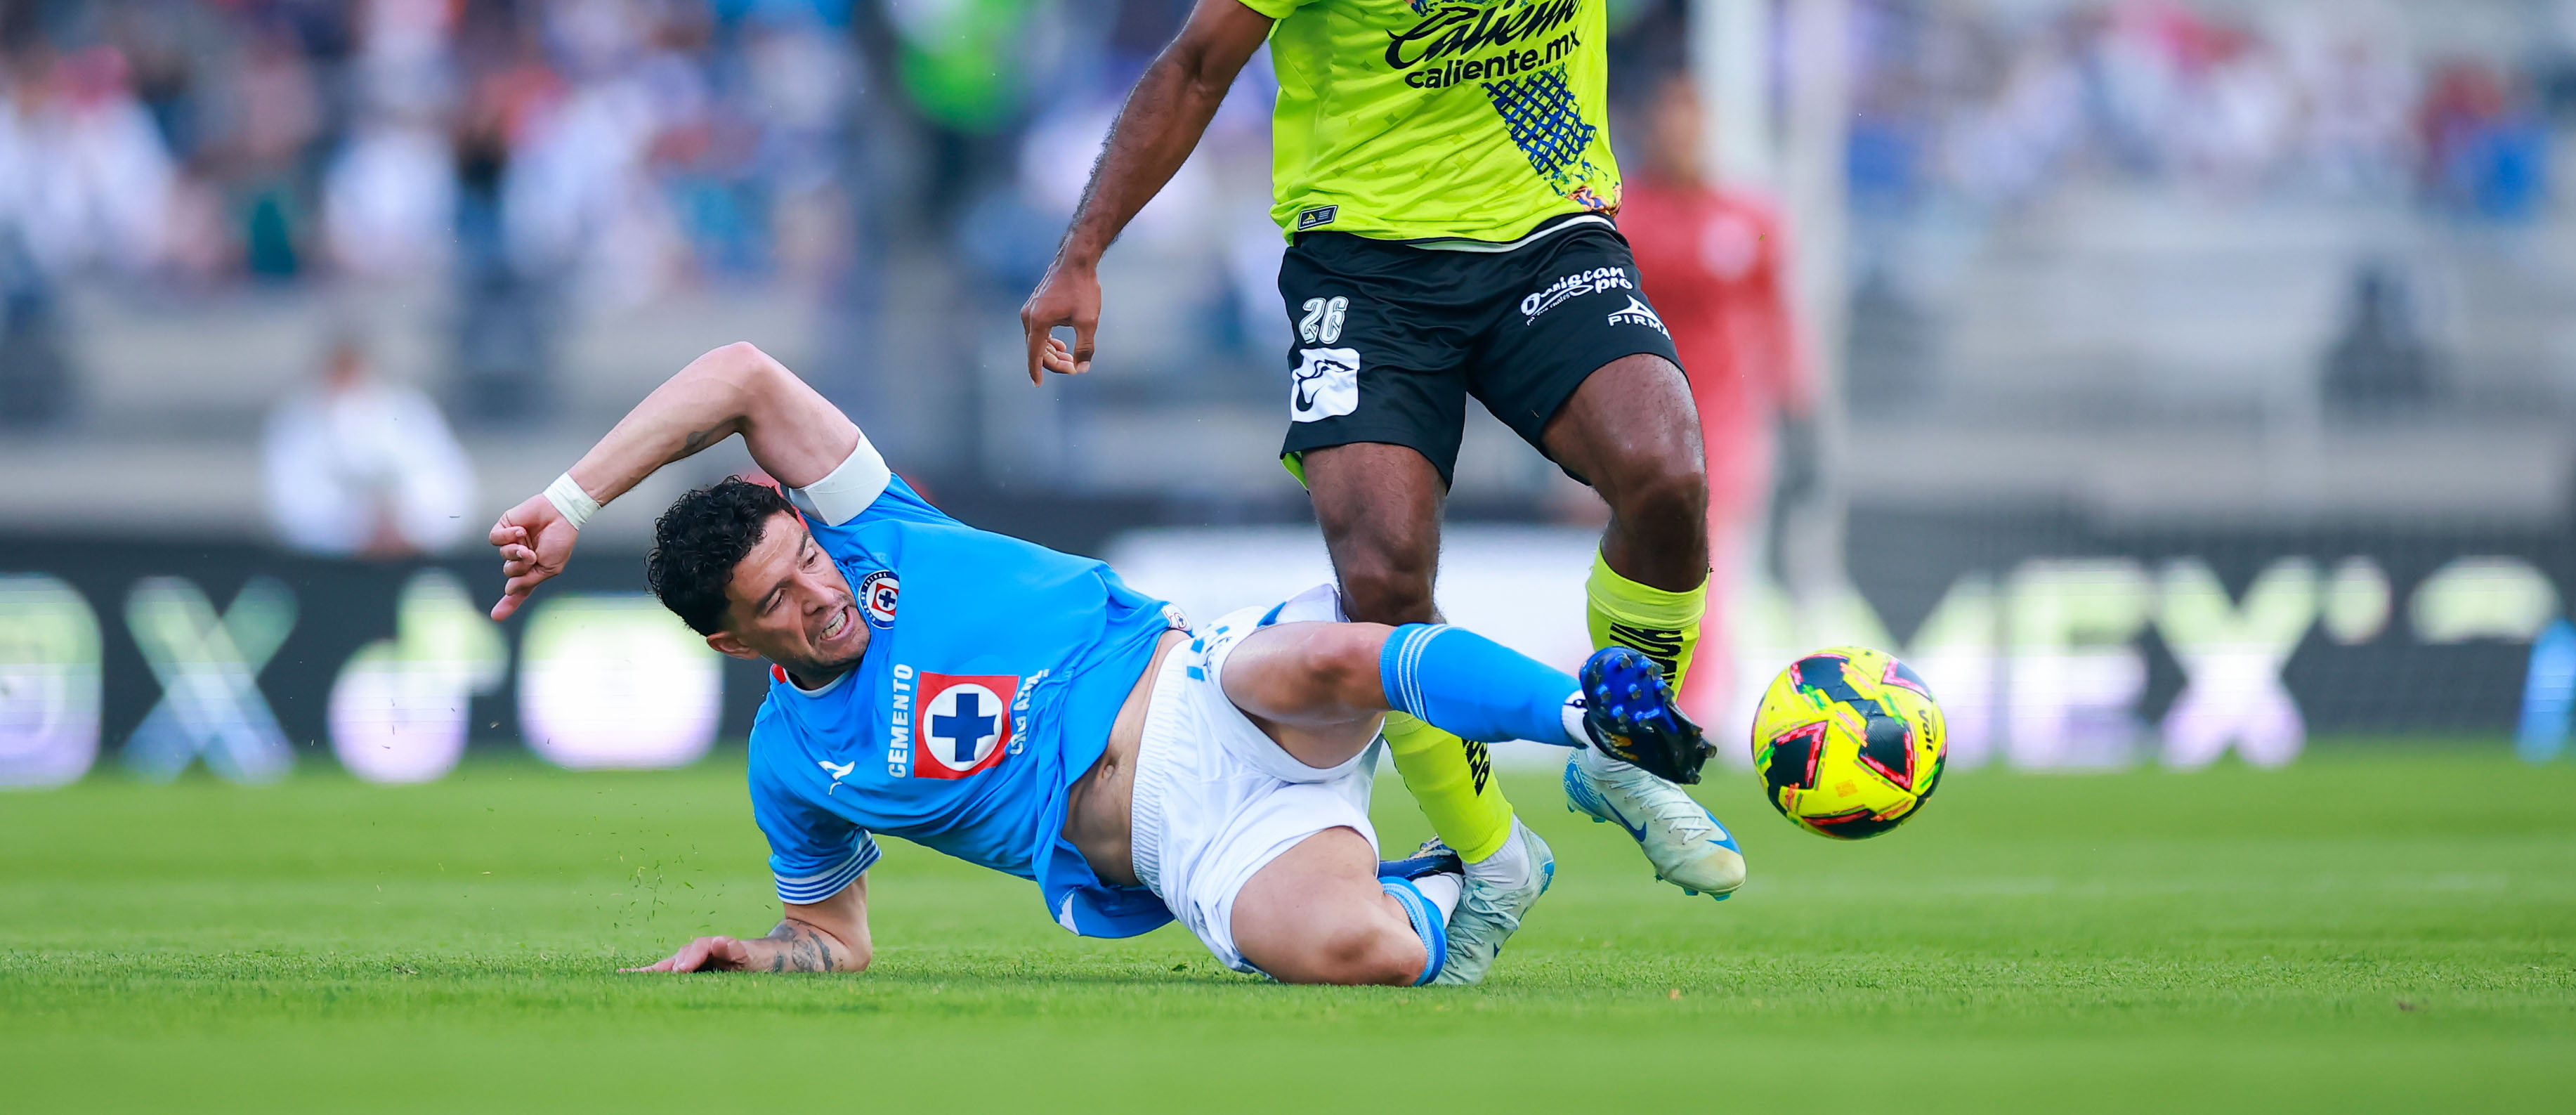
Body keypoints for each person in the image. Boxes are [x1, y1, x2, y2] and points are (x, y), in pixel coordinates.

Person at [1018, 0, 1879, 976]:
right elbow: (1192, 69)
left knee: (1665, 469)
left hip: (1542, 237)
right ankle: (1491, 851)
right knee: (1380, 584)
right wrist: (1082, 252)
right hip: (1367, 268)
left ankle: (1620, 747)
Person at [485, 341, 1709, 986]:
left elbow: (741, 374)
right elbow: (834, 940)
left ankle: (1592, 720)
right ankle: (1460, 878)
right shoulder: (794, 762)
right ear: (728, 639)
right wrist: (757, 953)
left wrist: (569, 496)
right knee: (1364, 957)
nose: (822, 595)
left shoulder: (879, 528)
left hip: (1196, 685)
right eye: (780, 600)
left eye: (807, 559)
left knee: (1332, 654)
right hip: (1190, 851)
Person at [1614, 72, 1819, 745]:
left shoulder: (1748, 218)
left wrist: (1800, 413)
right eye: (1669, 119)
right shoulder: (1622, 216)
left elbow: (1777, 317)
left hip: (1724, 424)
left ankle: (1689, 711)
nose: (1681, 135)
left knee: (1702, 561)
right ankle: (1630, 700)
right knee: (1640, 565)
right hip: (1632, 420)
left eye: (1692, 119)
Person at [261, 337, 477, 555]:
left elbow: (449, 485)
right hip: (327, 564)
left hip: (413, 556)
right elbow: (291, 501)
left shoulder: (410, 411)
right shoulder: (297, 420)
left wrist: (406, 524)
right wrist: (358, 527)